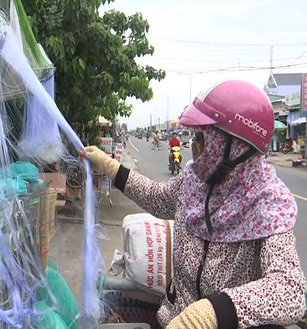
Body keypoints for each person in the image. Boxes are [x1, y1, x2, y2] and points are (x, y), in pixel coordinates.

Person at [81, 80, 306, 329]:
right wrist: (111, 168)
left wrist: (214, 312)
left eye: (202, 139)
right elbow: (156, 196)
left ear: (234, 148)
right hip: (171, 318)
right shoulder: (195, 182)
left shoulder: (267, 205)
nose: (195, 148)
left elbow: (290, 289)